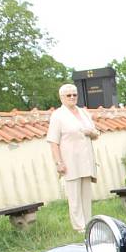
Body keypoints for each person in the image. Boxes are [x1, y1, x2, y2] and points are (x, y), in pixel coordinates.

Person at [47, 84, 99, 232]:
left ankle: (89, 224)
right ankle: (79, 227)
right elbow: (53, 142)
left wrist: (91, 133)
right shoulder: (58, 115)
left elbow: (96, 134)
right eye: (68, 95)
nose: (72, 97)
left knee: (86, 194)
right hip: (70, 161)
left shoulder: (83, 113)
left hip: (86, 158)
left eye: (74, 95)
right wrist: (59, 163)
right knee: (74, 196)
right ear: (61, 97)